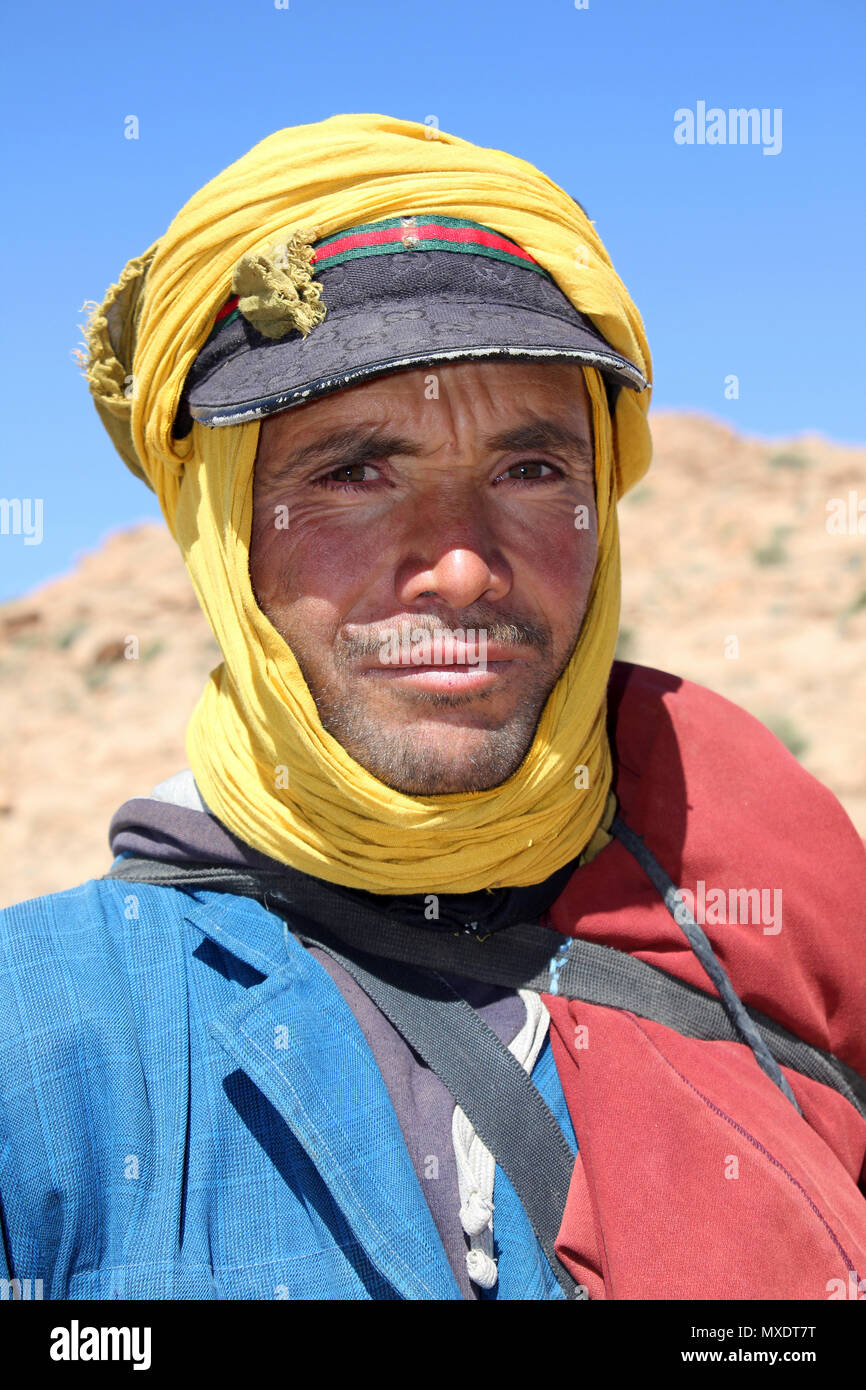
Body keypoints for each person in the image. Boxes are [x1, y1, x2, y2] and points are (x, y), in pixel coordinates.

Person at [1, 113, 864, 1302]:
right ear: (221, 528)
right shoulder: (45, 1041)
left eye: (528, 471)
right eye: (352, 473)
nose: (458, 567)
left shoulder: (773, 919)